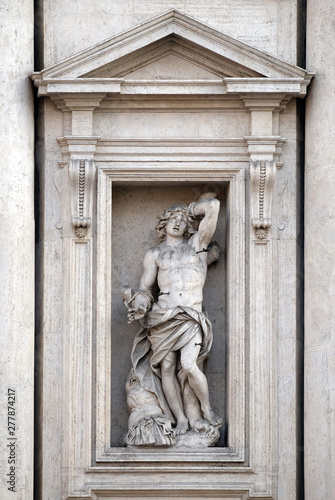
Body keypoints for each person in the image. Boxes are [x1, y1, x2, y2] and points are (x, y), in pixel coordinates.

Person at [123, 193, 222, 443]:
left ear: (188, 225)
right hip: (163, 315)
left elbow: (213, 207)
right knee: (166, 367)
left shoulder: (197, 246)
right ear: (164, 224)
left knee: (189, 365)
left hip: (190, 315)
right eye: (172, 219)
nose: (177, 222)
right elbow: (146, 287)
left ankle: (206, 409)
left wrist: (190, 209)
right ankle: (180, 418)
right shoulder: (155, 254)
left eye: (181, 219)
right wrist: (140, 303)